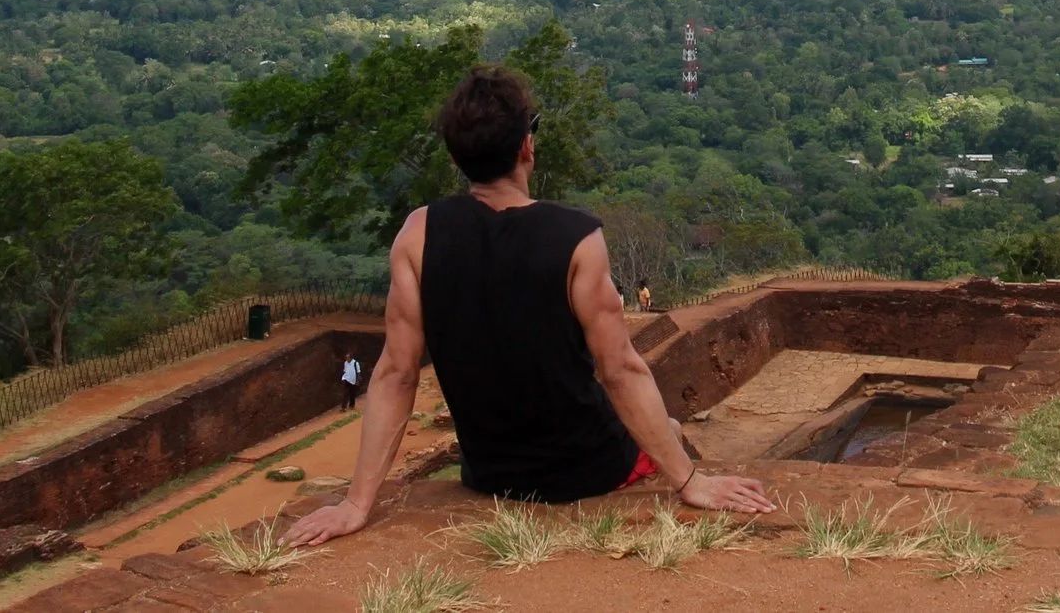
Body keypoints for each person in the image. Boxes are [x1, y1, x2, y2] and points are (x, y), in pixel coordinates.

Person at [284, 66, 773, 544]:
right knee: (665, 425)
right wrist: (690, 484)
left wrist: (355, 504)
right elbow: (620, 370)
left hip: (491, 474)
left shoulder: (417, 235)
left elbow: (396, 373)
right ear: (527, 146)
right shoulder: (578, 238)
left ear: (457, 158)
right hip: (590, 471)